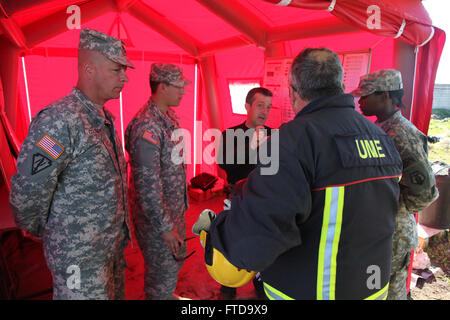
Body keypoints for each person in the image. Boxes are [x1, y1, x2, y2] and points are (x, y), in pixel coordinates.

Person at [195, 48, 403, 300]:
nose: (265, 110)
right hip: (372, 290)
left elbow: (253, 244)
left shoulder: (291, 140)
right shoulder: (380, 137)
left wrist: (215, 229)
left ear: (293, 91)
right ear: (340, 84)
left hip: (309, 290)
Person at [9, 28, 133, 299]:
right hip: (79, 261)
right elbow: (28, 190)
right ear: (88, 69)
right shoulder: (61, 121)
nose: (124, 77)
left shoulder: (104, 117)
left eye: (125, 70)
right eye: (116, 70)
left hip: (107, 252)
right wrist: (46, 231)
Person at [352, 69, 439, 300]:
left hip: (394, 235)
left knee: (389, 294)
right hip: (381, 231)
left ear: (386, 96)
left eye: (366, 95)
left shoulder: (402, 135)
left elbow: (425, 194)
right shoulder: (381, 130)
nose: (360, 101)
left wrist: (392, 206)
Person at [125, 63, 190, 300]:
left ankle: (165, 294)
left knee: (174, 262)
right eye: (179, 87)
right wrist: (165, 228)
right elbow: (147, 185)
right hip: (157, 220)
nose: (184, 91)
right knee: (161, 272)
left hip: (171, 211)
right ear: (162, 87)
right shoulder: (147, 126)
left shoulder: (167, 116)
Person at [217, 87, 273, 299]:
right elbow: (224, 163)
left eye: (268, 107)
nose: (264, 111)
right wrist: (252, 145)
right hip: (236, 200)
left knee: (262, 244)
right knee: (232, 243)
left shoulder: (274, 134)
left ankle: (260, 283)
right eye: (260, 105)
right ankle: (228, 285)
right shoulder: (230, 134)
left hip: (264, 201)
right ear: (247, 106)